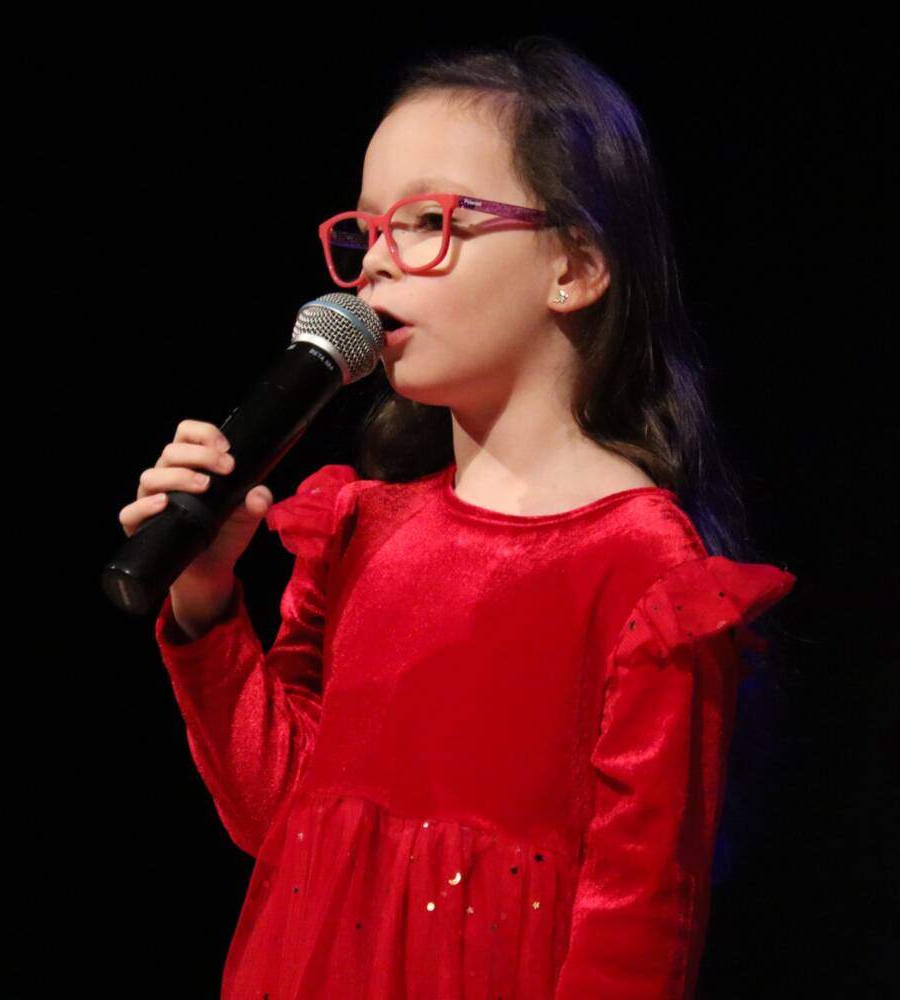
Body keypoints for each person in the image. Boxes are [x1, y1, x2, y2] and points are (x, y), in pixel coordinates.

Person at [118, 36, 797, 1000]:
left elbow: (641, 921)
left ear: (574, 267)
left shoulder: (643, 569)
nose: (374, 265)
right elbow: (284, 823)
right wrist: (204, 600)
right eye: (367, 230)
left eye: (428, 221)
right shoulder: (361, 528)